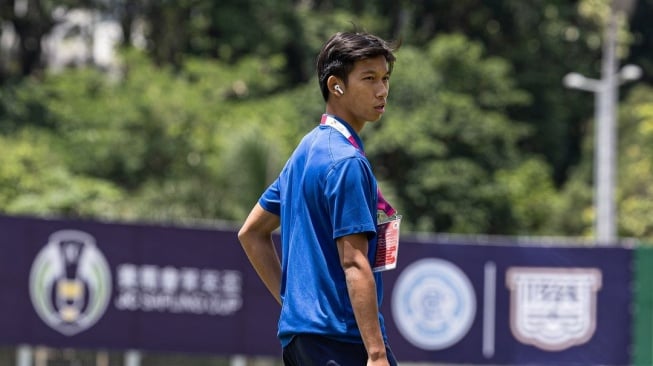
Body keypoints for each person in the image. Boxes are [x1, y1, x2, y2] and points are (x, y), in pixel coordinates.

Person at [238, 30, 400, 366]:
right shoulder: (347, 162)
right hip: (341, 341)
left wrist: (294, 305)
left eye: (384, 78)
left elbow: (251, 232)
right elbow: (354, 262)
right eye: (368, 78)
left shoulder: (306, 151)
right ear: (335, 85)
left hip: (301, 340)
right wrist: (377, 353)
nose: (382, 90)